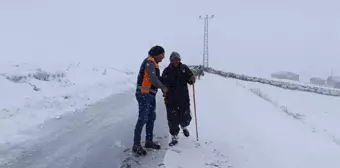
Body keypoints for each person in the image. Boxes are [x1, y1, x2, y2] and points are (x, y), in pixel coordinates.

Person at [133, 45, 168, 156]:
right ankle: (136, 145)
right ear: (157, 54)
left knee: (151, 117)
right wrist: (163, 87)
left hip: (150, 95)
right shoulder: (149, 62)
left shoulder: (154, 63)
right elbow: (153, 79)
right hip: (144, 94)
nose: (163, 57)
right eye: (162, 54)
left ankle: (148, 141)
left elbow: (157, 79)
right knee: (143, 118)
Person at [161, 51, 196, 146]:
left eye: (177, 59)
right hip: (171, 99)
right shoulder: (167, 71)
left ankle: (184, 126)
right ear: (171, 60)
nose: (176, 61)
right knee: (172, 119)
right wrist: (164, 90)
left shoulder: (184, 68)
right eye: (174, 60)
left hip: (183, 98)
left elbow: (190, 80)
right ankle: (174, 136)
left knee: (185, 116)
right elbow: (162, 84)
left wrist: (192, 79)